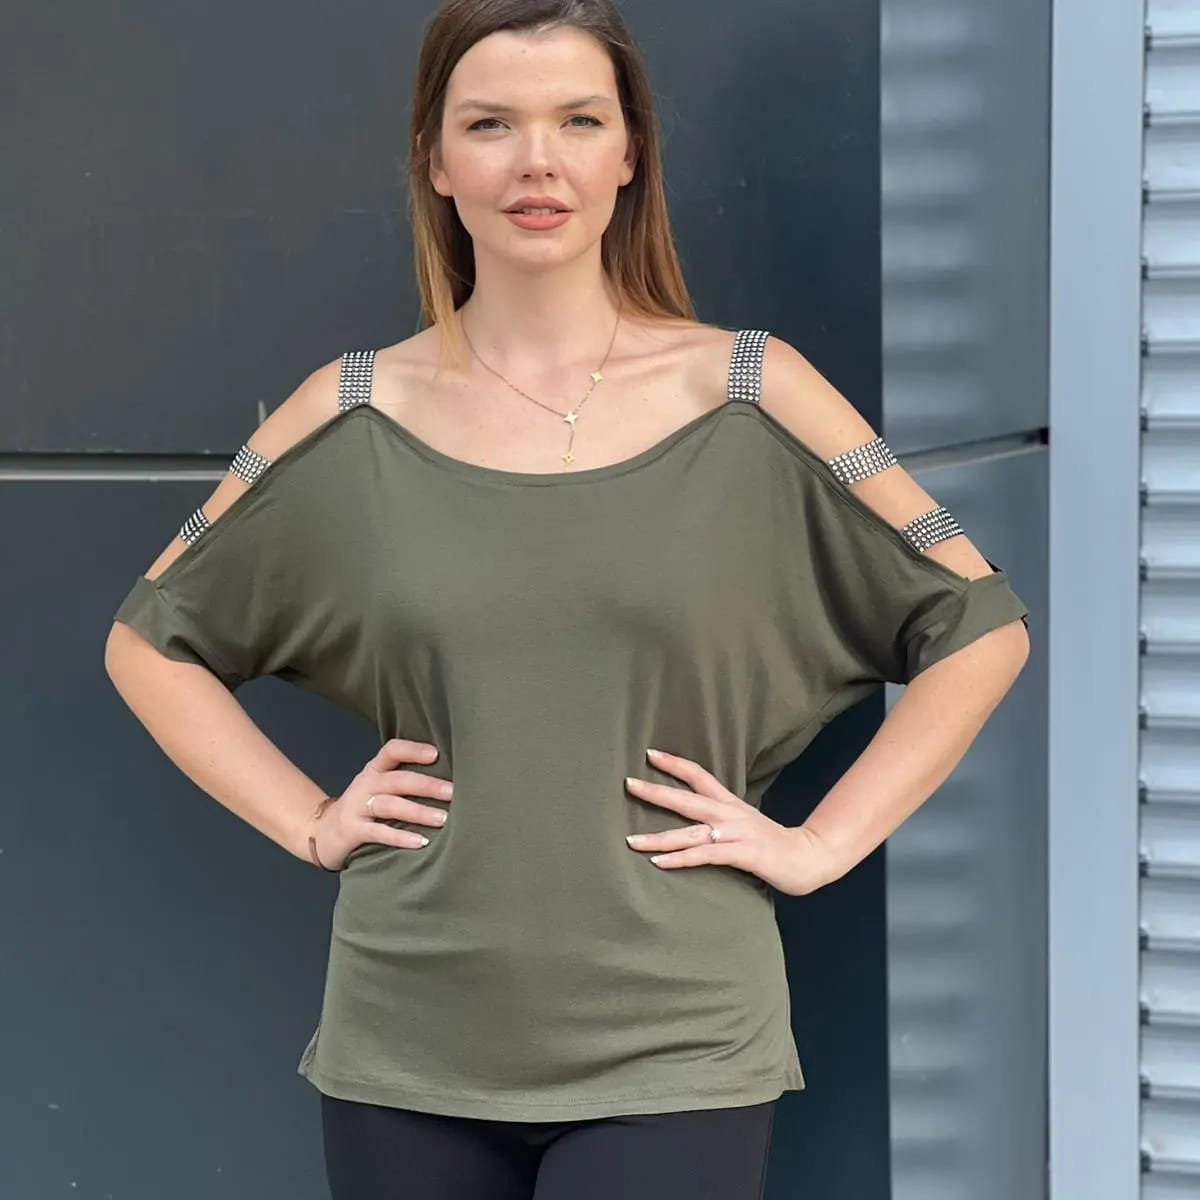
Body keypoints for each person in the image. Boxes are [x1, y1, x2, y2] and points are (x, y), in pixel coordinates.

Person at [104, 1, 1031, 1196]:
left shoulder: (752, 389)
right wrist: (310, 821)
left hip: (680, 1040)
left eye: (579, 121)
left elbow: (978, 624)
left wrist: (820, 845)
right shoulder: (350, 407)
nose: (537, 162)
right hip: (406, 1040)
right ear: (436, 161)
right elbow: (151, 644)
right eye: (491, 124)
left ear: (629, 153)